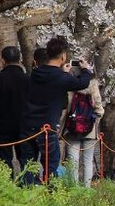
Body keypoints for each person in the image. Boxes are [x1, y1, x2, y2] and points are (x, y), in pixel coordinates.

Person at [19, 36, 93, 184]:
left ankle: (26, 196)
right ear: (63, 56)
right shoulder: (62, 78)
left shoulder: (35, 73)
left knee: (28, 166)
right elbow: (82, 83)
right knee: (50, 167)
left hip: (27, 126)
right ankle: (50, 196)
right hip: (47, 128)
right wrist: (86, 70)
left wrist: (63, 73)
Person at [0, 46, 29, 176]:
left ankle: (6, 186)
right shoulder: (28, 79)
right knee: (25, 159)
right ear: (20, 59)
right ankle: (28, 185)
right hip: (24, 127)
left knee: (3, 160)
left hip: (2, 127)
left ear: (3, 60)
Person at [61, 62, 104, 188]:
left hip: (71, 129)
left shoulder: (69, 86)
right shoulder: (93, 86)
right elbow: (99, 109)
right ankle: (86, 189)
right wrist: (93, 121)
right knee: (88, 161)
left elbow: (65, 109)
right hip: (89, 130)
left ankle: (73, 188)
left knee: (72, 161)